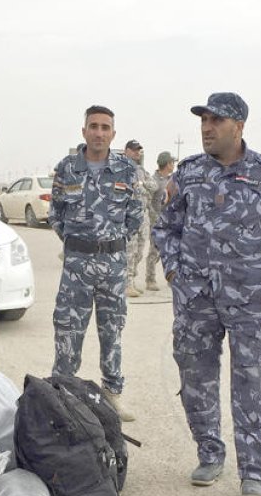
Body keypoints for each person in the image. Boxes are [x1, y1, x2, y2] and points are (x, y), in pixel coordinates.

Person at [152, 92, 261, 496]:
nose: (207, 127)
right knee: (196, 376)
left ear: (239, 126)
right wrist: (175, 272)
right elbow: (165, 228)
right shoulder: (190, 173)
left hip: (250, 297)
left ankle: (253, 470)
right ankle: (209, 453)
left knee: (252, 379)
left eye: (216, 120)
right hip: (195, 296)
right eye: (204, 120)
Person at [50, 105, 142, 421]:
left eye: (105, 127)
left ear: (113, 134)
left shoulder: (127, 171)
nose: (99, 132)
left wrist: (108, 244)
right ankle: (60, 394)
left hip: (113, 266)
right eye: (94, 126)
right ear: (84, 131)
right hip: (76, 265)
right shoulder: (66, 169)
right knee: (67, 331)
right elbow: (56, 215)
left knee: (112, 331)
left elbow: (136, 216)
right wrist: (80, 245)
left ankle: (112, 394)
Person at [122, 139, 156, 297]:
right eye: (134, 150)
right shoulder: (122, 168)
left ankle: (132, 281)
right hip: (129, 216)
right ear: (127, 150)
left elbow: (153, 186)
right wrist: (141, 187)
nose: (137, 152)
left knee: (140, 251)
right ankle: (126, 284)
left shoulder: (141, 170)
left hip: (143, 215)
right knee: (130, 250)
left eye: (139, 150)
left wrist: (141, 184)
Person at [145, 150, 176, 291]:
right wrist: (154, 219)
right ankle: (150, 279)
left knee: (170, 250)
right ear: (167, 164)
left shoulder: (170, 180)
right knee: (154, 251)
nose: (173, 165)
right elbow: (148, 202)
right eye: (172, 162)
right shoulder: (154, 181)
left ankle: (171, 277)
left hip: (169, 221)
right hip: (156, 221)